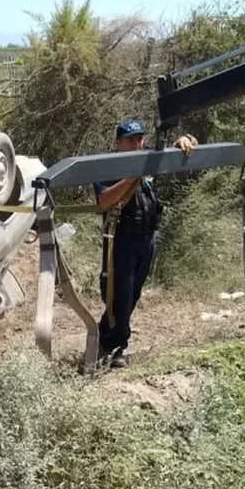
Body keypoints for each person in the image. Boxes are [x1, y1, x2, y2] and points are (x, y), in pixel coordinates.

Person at [93, 118, 197, 368]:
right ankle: (117, 347)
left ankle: (105, 332)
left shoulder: (147, 161)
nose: (136, 143)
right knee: (120, 294)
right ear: (118, 143)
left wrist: (184, 142)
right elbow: (104, 201)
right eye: (130, 140)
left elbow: (175, 155)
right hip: (122, 239)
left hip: (146, 238)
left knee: (133, 294)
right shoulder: (107, 167)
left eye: (139, 139)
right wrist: (131, 177)